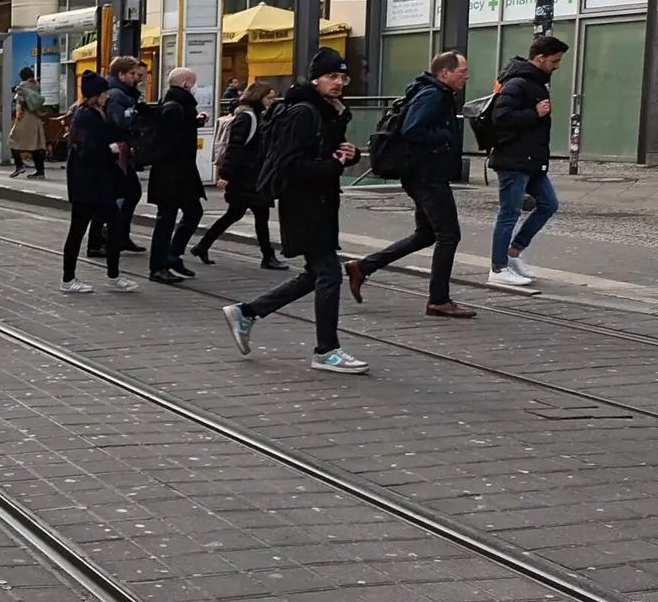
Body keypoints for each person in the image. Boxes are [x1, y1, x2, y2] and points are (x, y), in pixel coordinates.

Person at [222, 48, 367, 374]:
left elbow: (326, 155)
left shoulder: (327, 111)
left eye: (343, 77)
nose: (339, 83)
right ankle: (326, 350)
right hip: (303, 204)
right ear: (315, 78)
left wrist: (349, 155)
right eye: (332, 76)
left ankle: (247, 313)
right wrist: (332, 165)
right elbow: (290, 165)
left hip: (319, 203)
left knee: (316, 274)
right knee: (329, 273)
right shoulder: (303, 112)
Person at [346, 50, 476, 318]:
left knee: (427, 235)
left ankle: (363, 267)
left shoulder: (432, 92)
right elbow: (412, 128)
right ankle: (439, 300)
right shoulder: (434, 95)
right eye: (462, 71)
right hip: (427, 176)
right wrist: (447, 137)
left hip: (422, 174)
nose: (467, 76)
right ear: (445, 73)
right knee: (449, 235)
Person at [487, 33, 566, 290]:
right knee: (508, 213)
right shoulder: (518, 83)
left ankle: (514, 251)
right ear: (540, 58)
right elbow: (502, 117)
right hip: (514, 160)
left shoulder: (536, 82)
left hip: (531, 161)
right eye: (554, 61)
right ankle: (498, 268)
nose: (557, 66)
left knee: (548, 204)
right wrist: (534, 113)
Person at [193, 83, 286, 269]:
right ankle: (268, 257)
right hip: (246, 176)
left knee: (239, 215)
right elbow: (235, 147)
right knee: (252, 215)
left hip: (253, 175)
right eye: (269, 98)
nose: (271, 102)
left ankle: (203, 246)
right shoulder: (247, 117)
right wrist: (226, 174)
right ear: (258, 97)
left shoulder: (259, 116)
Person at [61, 72, 137, 295]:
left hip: (97, 183)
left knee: (112, 225)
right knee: (80, 229)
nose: (107, 95)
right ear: (95, 95)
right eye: (103, 92)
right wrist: (109, 150)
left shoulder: (98, 113)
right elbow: (86, 149)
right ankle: (69, 278)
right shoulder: (85, 116)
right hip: (87, 184)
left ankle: (112, 275)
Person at [146, 67, 207, 284]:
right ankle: (158, 266)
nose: (196, 86)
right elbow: (169, 142)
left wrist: (195, 122)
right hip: (172, 174)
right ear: (186, 85)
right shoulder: (174, 107)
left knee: (193, 212)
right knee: (166, 219)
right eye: (194, 82)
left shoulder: (179, 106)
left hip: (182, 172)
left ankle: (173, 256)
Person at [91, 55, 147, 257]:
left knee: (124, 194)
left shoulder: (122, 93)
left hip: (117, 152)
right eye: (133, 74)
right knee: (120, 195)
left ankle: (115, 236)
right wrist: (136, 118)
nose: (137, 78)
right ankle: (106, 238)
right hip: (115, 153)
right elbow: (119, 123)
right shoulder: (117, 94)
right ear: (121, 74)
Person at [7, 71, 47, 178]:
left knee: (12, 140)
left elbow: (19, 105)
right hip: (36, 119)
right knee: (35, 146)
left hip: (25, 119)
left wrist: (17, 116)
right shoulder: (37, 86)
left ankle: (19, 165)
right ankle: (40, 172)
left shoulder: (21, 88)